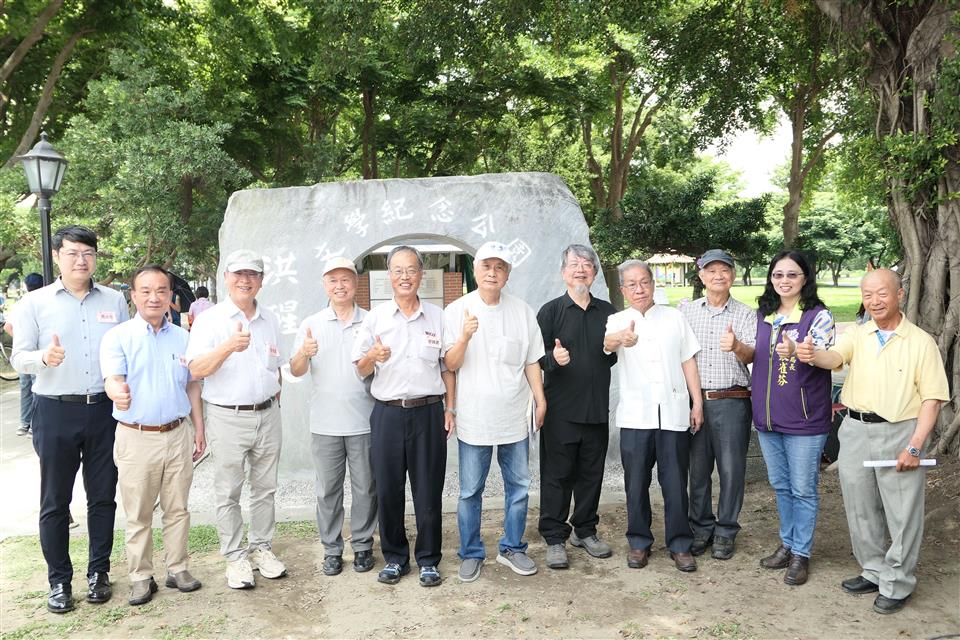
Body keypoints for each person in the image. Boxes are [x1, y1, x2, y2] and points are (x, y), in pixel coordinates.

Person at [798, 269, 949, 614]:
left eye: (882, 293)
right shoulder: (859, 333)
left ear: (899, 295)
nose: (874, 301)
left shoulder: (920, 342)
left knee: (902, 512)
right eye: (867, 295)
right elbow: (834, 358)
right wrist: (812, 354)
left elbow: (932, 400)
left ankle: (898, 582)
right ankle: (873, 570)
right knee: (860, 506)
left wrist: (915, 445)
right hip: (855, 430)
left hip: (900, 430)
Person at [11, 225, 129, 613]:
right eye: (73, 253)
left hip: (104, 412)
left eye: (88, 253)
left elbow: (125, 352)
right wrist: (43, 358)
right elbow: (19, 357)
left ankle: (99, 573)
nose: (82, 260)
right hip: (55, 410)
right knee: (55, 500)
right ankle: (59, 581)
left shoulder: (114, 300)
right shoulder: (34, 303)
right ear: (57, 256)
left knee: (103, 496)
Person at [100, 265, 207, 606]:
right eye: (145, 291)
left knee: (178, 508)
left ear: (170, 296)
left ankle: (178, 568)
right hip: (136, 437)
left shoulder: (183, 338)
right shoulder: (118, 337)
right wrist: (116, 392)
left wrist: (199, 428)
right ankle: (140, 576)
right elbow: (112, 379)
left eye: (161, 290)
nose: (154, 297)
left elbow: (192, 385)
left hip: (177, 433)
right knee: (139, 512)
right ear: (133, 296)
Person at [351, 246, 455, 587]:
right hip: (387, 414)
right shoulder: (375, 318)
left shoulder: (438, 316)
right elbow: (360, 368)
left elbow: (448, 368)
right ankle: (395, 558)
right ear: (389, 276)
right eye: (398, 270)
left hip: (429, 412)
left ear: (421, 274)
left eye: (411, 269)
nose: (405, 276)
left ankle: (428, 560)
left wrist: (450, 408)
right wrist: (372, 356)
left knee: (428, 490)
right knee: (388, 490)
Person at [443, 241, 547, 582]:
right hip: (474, 417)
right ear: (475, 270)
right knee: (470, 491)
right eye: (486, 266)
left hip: (514, 416)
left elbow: (531, 360)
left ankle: (512, 547)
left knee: (519, 486)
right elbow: (450, 365)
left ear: (507, 274)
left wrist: (541, 398)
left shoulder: (522, 311)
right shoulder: (457, 310)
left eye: (499, 267)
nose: (492, 273)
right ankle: (471, 552)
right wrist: (464, 337)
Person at [185, 249, 286, 590]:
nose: (246, 280)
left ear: (261, 280)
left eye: (253, 274)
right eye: (239, 274)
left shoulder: (270, 319)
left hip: (268, 414)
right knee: (228, 491)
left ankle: (262, 548)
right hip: (227, 417)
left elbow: (276, 367)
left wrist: (274, 398)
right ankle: (235, 556)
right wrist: (228, 347)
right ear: (226, 278)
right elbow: (196, 369)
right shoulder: (210, 320)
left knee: (265, 488)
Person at [603, 260, 703, 573]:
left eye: (644, 282)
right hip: (636, 416)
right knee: (636, 483)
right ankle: (638, 542)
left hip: (673, 412)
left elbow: (688, 360)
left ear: (653, 284)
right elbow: (607, 344)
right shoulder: (617, 320)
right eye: (632, 284)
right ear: (623, 290)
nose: (639, 289)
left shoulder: (674, 317)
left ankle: (680, 544)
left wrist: (697, 403)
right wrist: (621, 338)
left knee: (675, 482)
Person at [750, 250, 834, 587]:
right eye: (778, 274)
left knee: (803, 489)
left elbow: (826, 356)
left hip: (804, 419)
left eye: (792, 274)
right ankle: (787, 543)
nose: (784, 280)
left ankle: (801, 553)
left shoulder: (818, 316)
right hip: (768, 419)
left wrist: (803, 352)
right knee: (781, 485)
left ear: (805, 278)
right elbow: (754, 356)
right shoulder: (764, 314)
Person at [289, 256, 377, 577]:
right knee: (328, 490)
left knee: (366, 488)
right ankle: (332, 550)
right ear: (325, 285)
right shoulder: (311, 324)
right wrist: (304, 352)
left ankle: (363, 546)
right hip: (325, 423)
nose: (340, 286)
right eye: (333, 280)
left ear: (356, 283)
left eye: (346, 279)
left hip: (364, 421)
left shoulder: (371, 321)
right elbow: (296, 370)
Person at [535, 244, 617, 570]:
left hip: (596, 408)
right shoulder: (551, 311)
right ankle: (555, 537)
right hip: (561, 412)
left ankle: (585, 531)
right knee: (557, 476)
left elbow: (612, 355)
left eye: (587, 264)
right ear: (563, 272)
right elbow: (534, 359)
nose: (580, 269)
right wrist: (552, 358)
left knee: (591, 475)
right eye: (574, 264)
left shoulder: (609, 312)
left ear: (594, 272)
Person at [680, 250, 756, 560]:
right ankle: (701, 528)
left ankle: (725, 531)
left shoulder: (746, 314)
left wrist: (736, 346)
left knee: (731, 470)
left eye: (724, 270)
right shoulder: (686, 312)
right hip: (696, 401)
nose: (718, 276)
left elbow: (752, 355)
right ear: (701, 276)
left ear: (733, 276)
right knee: (697, 471)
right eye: (711, 271)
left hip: (732, 401)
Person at [5, 272, 44, 437]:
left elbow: (8, 327)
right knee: (37, 388)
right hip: (38, 354)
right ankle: (34, 426)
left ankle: (24, 423)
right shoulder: (42, 301)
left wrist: (22, 339)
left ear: (26, 286)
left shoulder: (20, 303)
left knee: (25, 388)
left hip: (21, 354)